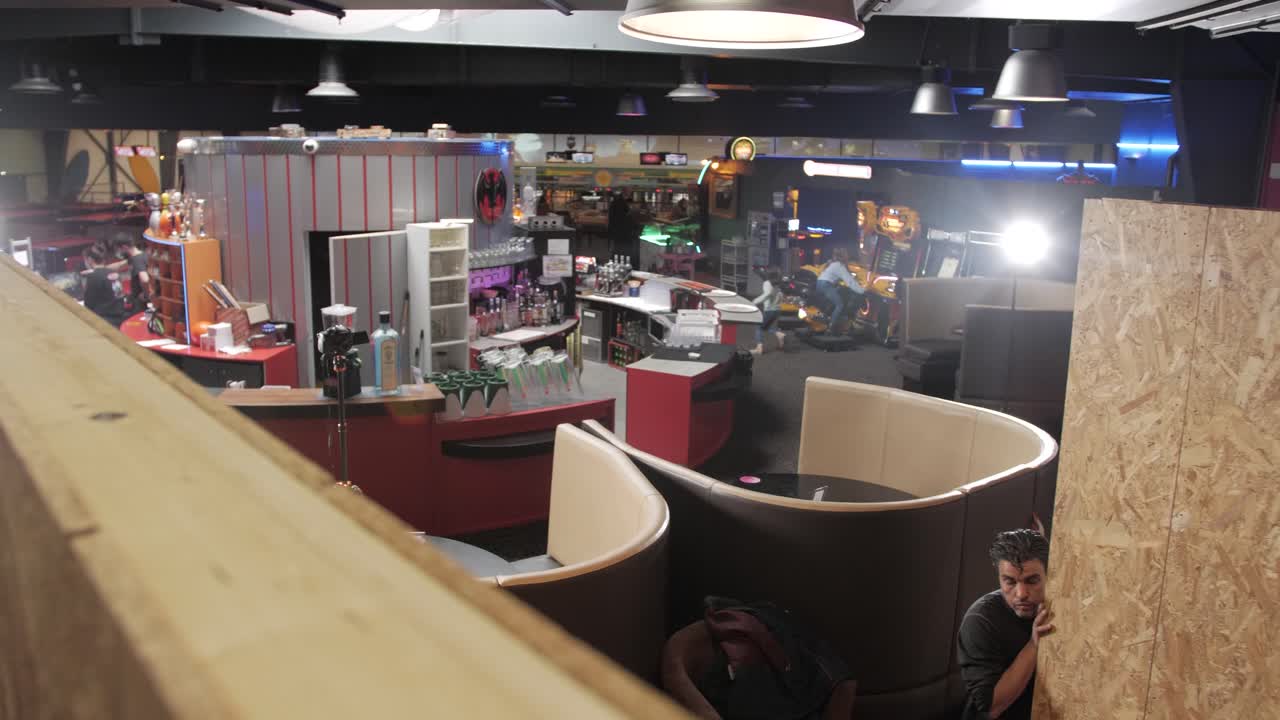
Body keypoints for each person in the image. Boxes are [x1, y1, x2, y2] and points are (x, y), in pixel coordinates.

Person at [957, 529, 1055, 720]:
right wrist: (1034, 644)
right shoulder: (981, 620)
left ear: (1048, 576)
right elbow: (992, 707)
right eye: (1009, 581)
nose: (1021, 594)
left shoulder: (1063, 610)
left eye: (1032, 581)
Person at [814, 247, 863, 334]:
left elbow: (836, 277)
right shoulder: (840, 266)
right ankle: (830, 327)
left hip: (819, 283)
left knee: (835, 295)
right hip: (826, 285)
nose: (848, 257)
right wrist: (862, 290)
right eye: (846, 255)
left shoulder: (833, 264)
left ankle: (824, 317)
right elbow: (850, 282)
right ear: (844, 257)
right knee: (840, 304)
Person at [82, 245, 128, 328]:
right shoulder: (114, 273)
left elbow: (89, 303)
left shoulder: (93, 276)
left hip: (104, 320)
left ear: (90, 260)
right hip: (120, 317)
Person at [750, 269, 786, 355]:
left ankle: (759, 348)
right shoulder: (778, 285)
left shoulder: (767, 283)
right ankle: (778, 333)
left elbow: (767, 293)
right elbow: (781, 296)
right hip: (777, 310)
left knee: (759, 328)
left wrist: (754, 302)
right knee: (765, 327)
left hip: (769, 310)